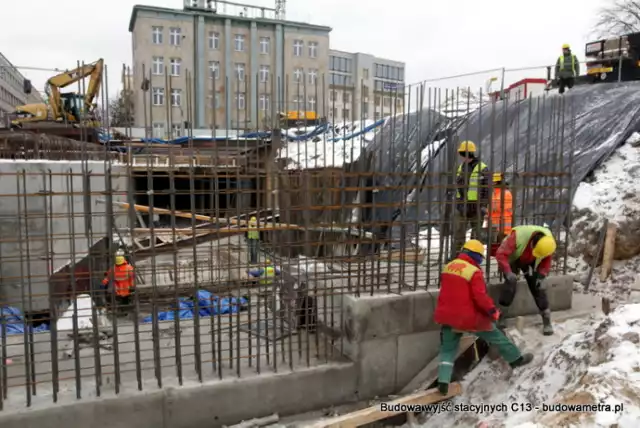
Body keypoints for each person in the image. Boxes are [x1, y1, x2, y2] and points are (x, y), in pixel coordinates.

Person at [434, 239, 533, 395]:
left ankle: (443, 382)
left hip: (447, 316)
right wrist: (493, 311)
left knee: (447, 350)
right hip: (469, 317)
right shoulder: (473, 271)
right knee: (496, 336)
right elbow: (480, 297)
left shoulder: (449, 267)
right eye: (481, 256)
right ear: (476, 256)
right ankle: (516, 360)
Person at [495, 225, 557, 335]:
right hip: (514, 257)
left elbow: (546, 260)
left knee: (538, 286)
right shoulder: (517, 237)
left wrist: (542, 275)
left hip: (532, 259)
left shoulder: (547, 243)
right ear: (532, 243)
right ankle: (501, 316)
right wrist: (508, 271)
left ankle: (546, 319)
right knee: (510, 284)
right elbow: (501, 254)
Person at [452, 141, 490, 254]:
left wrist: (483, 206)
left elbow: (487, 190)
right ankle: (457, 255)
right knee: (459, 233)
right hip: (461, 207)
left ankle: (473, 256)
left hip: (476, 208)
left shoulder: (482, 168)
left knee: (476, 235)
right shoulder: (461, 167)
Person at [483, 172, 513, 246]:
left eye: (492, 182)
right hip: (495, 227)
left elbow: (496, 207)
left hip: (503, 228)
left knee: (501, 248)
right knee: (493, 249)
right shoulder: (495, 193)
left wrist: (485, 209)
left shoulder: (505, 193)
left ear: (496, 182)